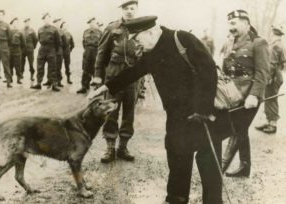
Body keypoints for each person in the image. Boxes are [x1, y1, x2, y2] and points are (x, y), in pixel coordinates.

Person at [89, 16, 222, 204]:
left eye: (136, 39)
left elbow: (209, 70)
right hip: (176, 116)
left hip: (202, 115)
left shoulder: (182, 39)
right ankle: (176, 198)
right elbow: (134, 71)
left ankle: (214, 201)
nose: (135, 44)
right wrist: (108, 87)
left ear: (150, 32)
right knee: (176, 155)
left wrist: (203, 109)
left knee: (208, 161)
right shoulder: (151, 51)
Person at [221, 10, 270, 177]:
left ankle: (219, 166)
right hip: (233, 95)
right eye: (229, 24)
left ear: (246, 23)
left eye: (234, 23)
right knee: (241, 129)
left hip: (249, 96)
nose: (230, 27)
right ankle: (245, 166)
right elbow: (225, 70)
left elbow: (263, 72)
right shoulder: (229, 42)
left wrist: (254, 95)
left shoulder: (258, 42)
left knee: (238, 128)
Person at [91, 0, 140, 164]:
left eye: (132, 8)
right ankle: (110, 147)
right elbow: (101, 53)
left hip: (132, 76)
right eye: (126, 8)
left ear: (137, 9)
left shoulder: (141, 28)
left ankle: (123, 147)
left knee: (129, 113)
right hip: (113, 74)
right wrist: (98, 75)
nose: (129, 11)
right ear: (122, 10)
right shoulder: (112, 28)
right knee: (111, 112)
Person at [255, 25, 285, 134]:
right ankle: (269, 122)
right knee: (268, 99)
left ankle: (272, 125)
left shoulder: (276, 46)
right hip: (276, 75)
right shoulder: (279, 44)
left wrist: (268, 77)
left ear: (273, 33)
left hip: (273, 77)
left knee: (271, 99)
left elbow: (272, 64)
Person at [31, 13, 60, 92]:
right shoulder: (40, 29)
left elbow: (58, 41)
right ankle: (38, 83)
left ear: (50, 19)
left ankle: (54, 84)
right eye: (45, 19)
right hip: (42, 49)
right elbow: (39, 39)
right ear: (43, 20)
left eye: (48, 18)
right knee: (40, 67)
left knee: (52, 67)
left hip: (51, 49)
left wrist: (54, 50)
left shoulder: (54, 29)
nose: (46, 20)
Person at [76, 17, 102, 94]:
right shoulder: (85, 32)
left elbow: (102, 43)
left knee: (96, 69)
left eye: (93, 22)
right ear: (89, 24)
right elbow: (83, 42)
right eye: (90, 23)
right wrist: (87, 50)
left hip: (96, 51)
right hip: (87, 52)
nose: (92, 24)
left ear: (96, 23)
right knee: (86, 69)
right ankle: (84, 86)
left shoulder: (100, 32)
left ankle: (98, 87)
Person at [9, 18, 26, 84]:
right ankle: (10, 78)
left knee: (18, 65)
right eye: (14, 23)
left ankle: (19, 79)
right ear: (12, 23)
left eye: (17, 23)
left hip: (17, 50)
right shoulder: (9, 31)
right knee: (10, 65)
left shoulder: (20, 32)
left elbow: (23, 43)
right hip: (10, 50)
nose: (15, 24)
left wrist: (19, 50)